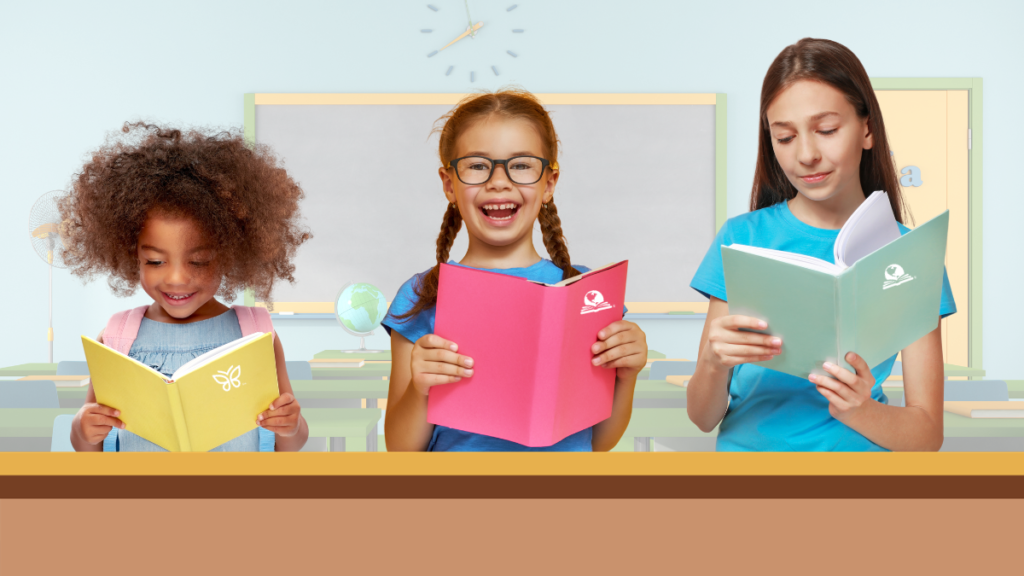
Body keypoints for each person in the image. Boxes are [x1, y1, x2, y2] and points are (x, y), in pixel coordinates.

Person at [687, 38, 955, 451]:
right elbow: (703, 417)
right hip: (745, 484)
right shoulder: (742, 239)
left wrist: (858, 409)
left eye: (826, 130)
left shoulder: (909, 254)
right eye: (785, 137)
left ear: (866, 129)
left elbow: (926, 435)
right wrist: (712, 362)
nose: (806, 155)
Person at [382, 89, 648, 452]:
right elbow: (399, 450)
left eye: (521, 165)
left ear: (549, 183)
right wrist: (419, 388)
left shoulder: (585, 293)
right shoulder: (421, 294)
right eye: (477, 165)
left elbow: (598, 443)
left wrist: (627, 376)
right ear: (449, 184)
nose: (499, 181)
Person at [63, 123, 311, 452]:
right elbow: (86, 446)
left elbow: (291, 443)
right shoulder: (117, 336)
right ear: (131, 252)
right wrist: (83, 429)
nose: (177, 279)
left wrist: (290, 426)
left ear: (229, 253)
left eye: (198, 261)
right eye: (154, 261)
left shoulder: (256, 333)